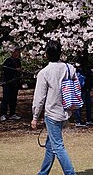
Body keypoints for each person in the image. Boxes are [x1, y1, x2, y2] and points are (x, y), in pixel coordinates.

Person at [31, 40, 76, 175]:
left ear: (46, 54)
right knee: (51, 145)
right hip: (66, 112)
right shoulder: (70, 68)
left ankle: (70, 173)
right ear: (60, 53)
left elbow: (39, 98)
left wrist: (35, 117)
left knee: (58, 146)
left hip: (52, 113)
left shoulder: (44, 73)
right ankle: (43, 172)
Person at [73, 55, 93, 128]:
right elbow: (85, 73)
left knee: (88, 104)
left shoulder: (81, 66)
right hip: (82, 88)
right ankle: (78, 121)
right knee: (80, 105)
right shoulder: (79, 68)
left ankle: (88, 119)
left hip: (86, 88)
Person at [0, 45, 23, 121]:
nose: (17, 53)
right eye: (16, 52)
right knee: (6, 99)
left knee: (13, 99)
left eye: (18, 52)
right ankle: (3, 114)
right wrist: (15, 70)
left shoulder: (18, 61)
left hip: (15, 83)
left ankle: (12, 113)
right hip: (8, 83)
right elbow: (5, 70)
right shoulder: (8, 60)